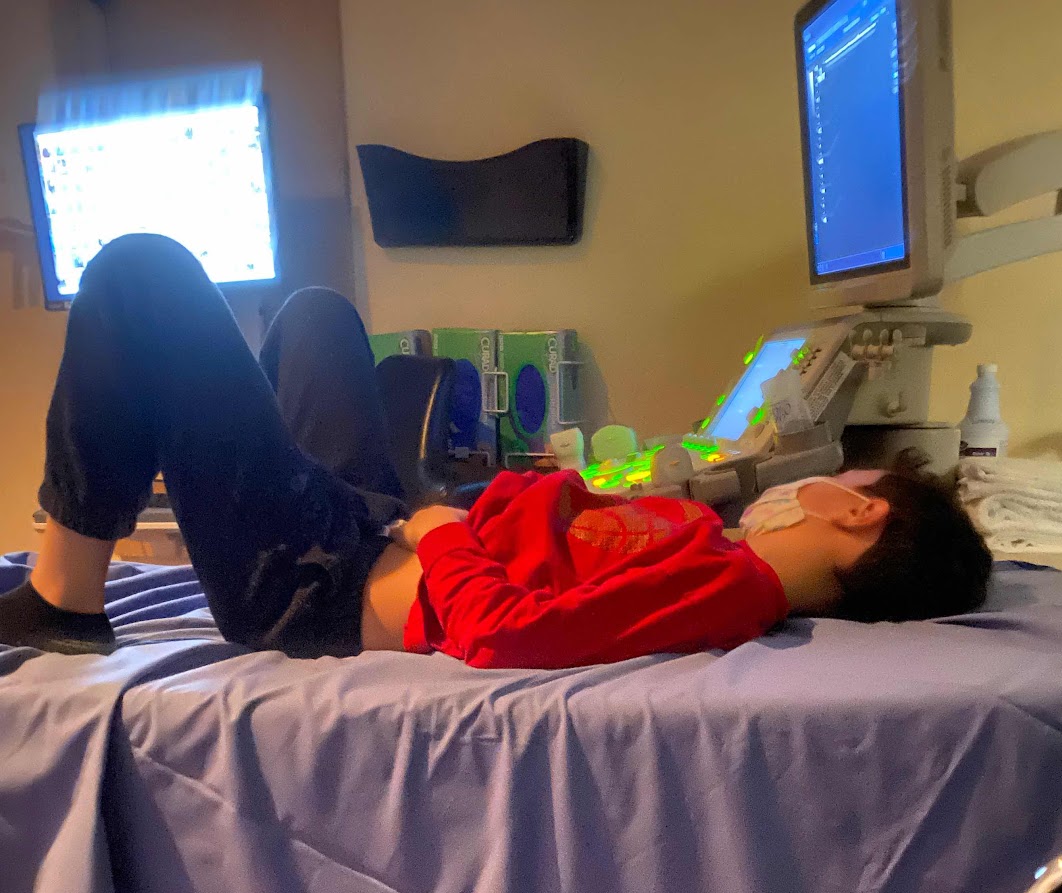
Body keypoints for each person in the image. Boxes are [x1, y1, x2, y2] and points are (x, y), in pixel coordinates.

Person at [0, 234, 991, 666]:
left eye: (842, 479)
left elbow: (508, 635)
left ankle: (64, 604)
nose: (817, 481)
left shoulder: (730, 589)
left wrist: (440, 537)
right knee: (315, 315)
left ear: (857, 510)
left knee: (140, 272)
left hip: (316, 586)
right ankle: (218, 470)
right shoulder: (717, 547)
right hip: (374, 528)